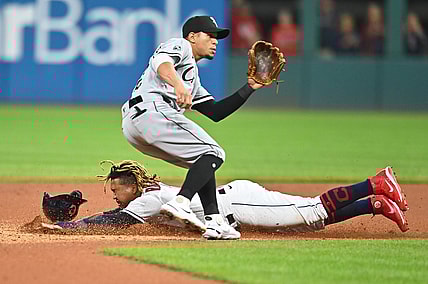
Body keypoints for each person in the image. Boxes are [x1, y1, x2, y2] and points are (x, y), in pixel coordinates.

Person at [120, 15, 267, 240]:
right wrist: (178, 85)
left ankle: (214, 220)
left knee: (203, 160)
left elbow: (216, 112)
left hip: (138, 124)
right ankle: (181, 202)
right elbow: (161, 63)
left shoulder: (192, 79)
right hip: (151, 111)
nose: (215, 41)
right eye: (210, 35)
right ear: (192, 36)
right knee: (214, 152)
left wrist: (250, 87)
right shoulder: (180, 46)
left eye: (217, 37)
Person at [47, 160, 409, 235]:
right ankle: (375, 204)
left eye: (116, 189)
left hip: (236, 202)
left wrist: (73, 225)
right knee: (310, 223)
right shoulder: (148, 196)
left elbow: (115, 221)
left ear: (133, 186)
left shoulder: (144, 201)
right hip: (234, 203)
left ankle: (375, 183)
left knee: (311, 209)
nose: (114, 196)